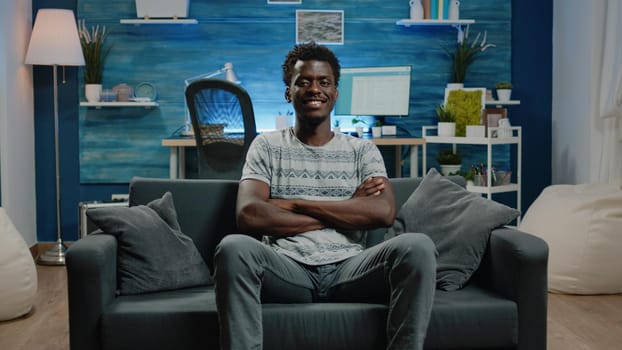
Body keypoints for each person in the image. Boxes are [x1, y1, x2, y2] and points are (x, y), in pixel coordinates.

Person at [213, 42, 437, 350]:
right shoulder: (265, 145)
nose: (314, 89)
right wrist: (347, 208)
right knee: (233, 247)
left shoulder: (362, 150)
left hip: (352, 269)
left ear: (335, 92)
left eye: (323, 82)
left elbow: (383, 212)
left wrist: (290, 204)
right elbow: (250, 215)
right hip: (287, 268)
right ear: (288, 93)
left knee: (418, 246)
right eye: (303, 82)